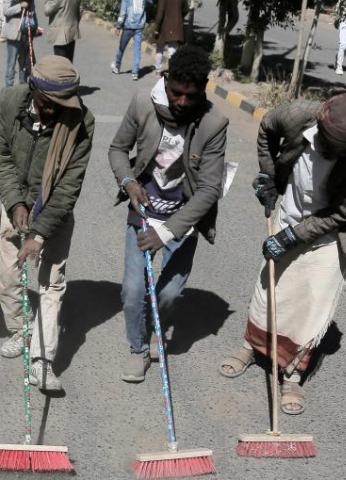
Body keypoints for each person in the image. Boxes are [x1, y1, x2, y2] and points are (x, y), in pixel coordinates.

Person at [220, 94, 346, 415]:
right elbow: (266, 129)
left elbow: (341, 213)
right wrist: (268, 175)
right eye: (330, 144)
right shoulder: (299, 114)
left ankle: (293, 375)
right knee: (269, 287)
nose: (332, 152)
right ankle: (251, 347)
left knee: (312, 301)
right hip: (289, 210)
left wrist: (293, 236)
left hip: (325, 230)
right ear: (320, 125)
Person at [108, 46, 228, 383]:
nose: (181, 102)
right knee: (133, 290)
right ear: (167, 79)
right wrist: (129, 181)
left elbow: (208, 190)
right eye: (176, 92)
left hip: (183, 219)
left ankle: (155, 324)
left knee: (169, 294)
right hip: (143, 212)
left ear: (203, 87)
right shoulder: (143, 103)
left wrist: (166, 232)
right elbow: (118, 149)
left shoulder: (214, 123)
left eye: (191, 96)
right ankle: (137, 348)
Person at [0, 56, 95, 391]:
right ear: (34, 89)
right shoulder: (9, 101)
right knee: (9, 278)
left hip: (55, 212)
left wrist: (38, 232)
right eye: (49, 104)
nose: (55, 111)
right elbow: (0, 154)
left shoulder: (82, 121)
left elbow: (69, 184)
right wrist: (15, 202)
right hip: (15, 202)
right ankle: (21, 329)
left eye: (62, 105)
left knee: (51, 283)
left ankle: (42, 360)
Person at [111, 0, 151, 81]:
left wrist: (118, 25)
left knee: (121, 47)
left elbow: (122, 13)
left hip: (128, 26)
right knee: (137, 50)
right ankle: (135, 72)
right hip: (139, 27)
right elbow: (150, 3)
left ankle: (117, 66)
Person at [2, 0, 37, 87]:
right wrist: (20, 6)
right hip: (14, 32)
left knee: (24, 61)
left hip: (26, 32)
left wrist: (34, 25)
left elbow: (33, 11)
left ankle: (23, 84)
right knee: (11, 62)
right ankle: (9, 86)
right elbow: (6, 11)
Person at [153, 0, 188, 76]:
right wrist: (179, 15)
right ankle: (172, 71)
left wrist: (156, 28)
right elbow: (186, 9)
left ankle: (158, 70)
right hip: (176, 25)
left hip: (163, 26)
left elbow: (160, 12)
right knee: (172, 50)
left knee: (160, 48)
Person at [336, 0, 345, 75]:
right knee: (343, 44)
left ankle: (339, 59)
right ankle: (339, 66)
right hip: (344, 22)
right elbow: (338, 7)